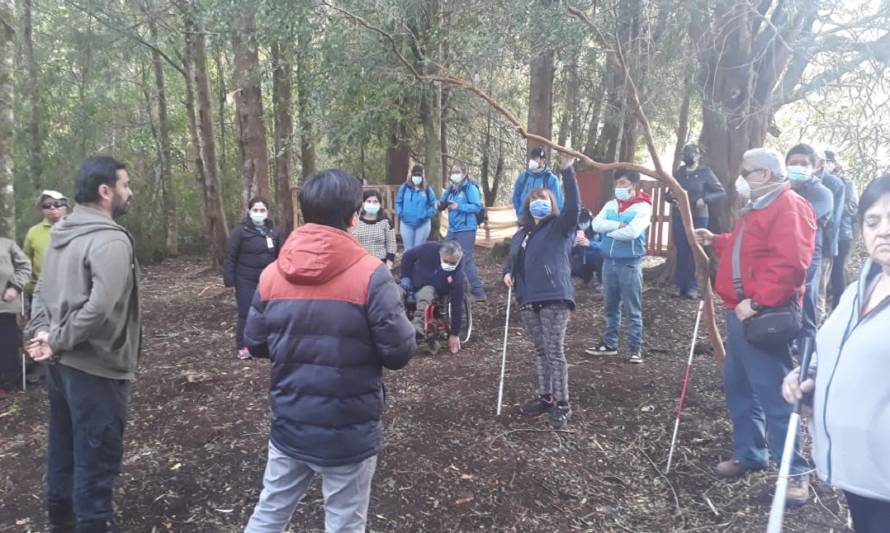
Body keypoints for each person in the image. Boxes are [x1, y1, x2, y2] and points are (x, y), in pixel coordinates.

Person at [242, 169, 416, 533]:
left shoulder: (272, 274)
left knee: (269, 514)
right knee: (344, 524)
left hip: (290, 422)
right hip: (346, 430)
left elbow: (255, 342)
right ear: (353, 217)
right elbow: (398, 352)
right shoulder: (372, 276)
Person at [694, 147, 815, 507]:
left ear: (764, 174)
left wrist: (759, 301)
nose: (742, 180)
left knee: (775, 392)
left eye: (747, 173)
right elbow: (746, 249)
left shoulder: (789, 207)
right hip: (740, 313)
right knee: (739, 385)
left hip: (762, 316)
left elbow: (792, 264)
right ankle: (751, 452)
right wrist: (716, 241)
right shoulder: (758, 207)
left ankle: (794, 473)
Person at [25, 155, 141, 532]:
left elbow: (41, 289)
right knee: (95, 462)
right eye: (126, 185)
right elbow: (100, 309)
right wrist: (53, 337)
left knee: (64, 451)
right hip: (97, 369)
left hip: (62, 366)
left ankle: (62, 524)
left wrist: (43, 335)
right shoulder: (110, 240)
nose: (130, 192)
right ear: (105, 191)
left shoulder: (62, 232)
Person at [782, 173, 890, 532]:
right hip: (857, 474)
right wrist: (808, 378)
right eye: (872, 221)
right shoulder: (856, 290)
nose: (883, 231)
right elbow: (835, 355)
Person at [503, 152, 579, 430]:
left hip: (554, 297)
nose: (538, 204)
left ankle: (563, 403)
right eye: (534, 201)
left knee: (554, 350)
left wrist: (568, 172)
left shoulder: (560, 227)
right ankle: (546, 397)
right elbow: (512, 260)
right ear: (527, 205)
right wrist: (507, 274)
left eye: (543, 200)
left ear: (552, 204)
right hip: (528, 299)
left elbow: (573, 208)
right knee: (540, 351)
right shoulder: (522, 234)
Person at [586, 170, 652, 364]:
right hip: (608, 262)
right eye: (617, 184)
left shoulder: (643, 206)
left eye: (623, 183)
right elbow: (596, 225)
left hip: (629, 263)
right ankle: (610, 344)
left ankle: (635, 349)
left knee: (633, 307)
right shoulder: (610, 205)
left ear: (633, 185)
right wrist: (618, 225)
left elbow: (632, 232)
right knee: (610, 306)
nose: (619, 187)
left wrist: (611, 229)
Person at [786, 143, 833, 348]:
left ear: (814, 167)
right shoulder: (782, 188)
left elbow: (800, 221)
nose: (798, 167)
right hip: (782, 255)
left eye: (803, 163)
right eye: (793, 163)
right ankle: (787, 341)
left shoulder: (822, 193)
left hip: (808, 257)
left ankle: (806, 352)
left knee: (807, 303)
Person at [223, 197, 282, 360]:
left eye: (262, 210)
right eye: (255, 210)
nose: (259, 213)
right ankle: (243, 346)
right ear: (249, 211)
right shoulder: (240, 232)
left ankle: (266, 344)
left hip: (268, 280)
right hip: (245, 280)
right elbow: (230, 257)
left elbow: (280, 256)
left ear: (267, 212)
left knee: (270, 312)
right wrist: (230, 281)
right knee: (246, 312)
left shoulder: (274, 232)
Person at [22, 190, 70, 384]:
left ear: (66, 206)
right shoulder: (34, 232)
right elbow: (26, 260)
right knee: (40, 328)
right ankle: (44, 367)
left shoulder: (74, 228)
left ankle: (64, 363)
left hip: (68, 289)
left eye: (57, 204)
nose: (52, 209)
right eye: (47, 205)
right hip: (40, 290)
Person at [667, 144, 726, 299]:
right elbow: (668, 194)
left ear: (698, 155)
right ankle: (679, 285)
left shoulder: (705, 172)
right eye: (685, 153)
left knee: (696, 250)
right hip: (680, 215)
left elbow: (720, 192)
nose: (687, 156)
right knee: (681, 250)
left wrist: (705, 199)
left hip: (699, 215)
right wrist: (673, 198)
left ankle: (693, 286)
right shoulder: (679, 173)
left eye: (691, 153)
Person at [399, 240, 467, 354]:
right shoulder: (429, 248)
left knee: (426, 293)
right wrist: (406, 276)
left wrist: (454, 334)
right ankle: (396, 324)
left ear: (458, 260)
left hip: (432, 288)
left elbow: (456, 306)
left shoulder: (458, 276)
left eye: (452, 263)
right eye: (446, 261)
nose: (449, 265)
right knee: (396, 292)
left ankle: (417, 326)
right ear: (440, 255)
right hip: (413, 282)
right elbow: (407, 256)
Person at [440, 163, 486, 302]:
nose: (455, 174)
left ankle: (478, 292)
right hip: (453, 227)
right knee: (445, 254)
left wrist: (459, 206)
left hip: (466, 228)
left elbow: (476, 206)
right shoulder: (451, 189)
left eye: (458, 171)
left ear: (464, 173)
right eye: (453, 171)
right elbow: (443, 202)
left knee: (466, 259)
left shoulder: (470, 188)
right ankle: (450, 286)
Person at [813, 147, 846, 321]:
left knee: (819, 290)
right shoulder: (797, 182)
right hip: (802, 247)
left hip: (823, 245)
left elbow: (834, 220)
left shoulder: (835, 184)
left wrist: (830, 248)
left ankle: (820, 328)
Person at [825, 151, 859, 309]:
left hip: (842, 235)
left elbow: (852, 208)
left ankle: (839, 308)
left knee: (837, 272)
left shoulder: (845, 183)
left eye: (828, 161)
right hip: (825, 236)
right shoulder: (818, 182)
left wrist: (830, 209)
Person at [0, 237, 31, 395]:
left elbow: (25, 266)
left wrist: (15, 287)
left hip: (4, 306)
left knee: (6, 345)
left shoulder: (7, 244)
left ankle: (7, 382)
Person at [512, 146, 565, 218]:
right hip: (524, 219)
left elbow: (558, 204)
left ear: (543, 160)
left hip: (542, 221)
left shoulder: (551, 179)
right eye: (531, 158)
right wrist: (519, 212)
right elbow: (516, 196)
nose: (532, 161)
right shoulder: (524, 176)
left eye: (535, 158)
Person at [395, 164, 438, 250]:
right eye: (415, 175)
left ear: (423, 176)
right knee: (408, 250)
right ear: (411, 175)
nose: (417, 177)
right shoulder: (404, 188)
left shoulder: (427, 189)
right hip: (406, 223)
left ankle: (419, 264)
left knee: (419, 250)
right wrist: (400, 213)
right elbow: (398, 202)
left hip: (423, 224)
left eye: (419, 175)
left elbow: (434, 205)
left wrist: (426, 214)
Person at [351, 190, 396, 269]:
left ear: (379, 204)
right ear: (363, 203)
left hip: (379, 263)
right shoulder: (354, 220)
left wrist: (389, 264)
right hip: (358, 262)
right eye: (369, 201)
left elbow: (391, 245)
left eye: (375, 202)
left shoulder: (386, 222)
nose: (372, 204)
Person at [570, 208, 603, 289]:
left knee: (601, 258)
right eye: (581, 222)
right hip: (581, 257)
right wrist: (573, 245)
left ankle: (601, 282)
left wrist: (590, 243)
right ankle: (587, 280)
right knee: (572, 262)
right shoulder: (572, 229)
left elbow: (605, 245)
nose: (583, 224)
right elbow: (565, 247)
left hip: (595, 257)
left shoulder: (598, 228)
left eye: (585, 222)